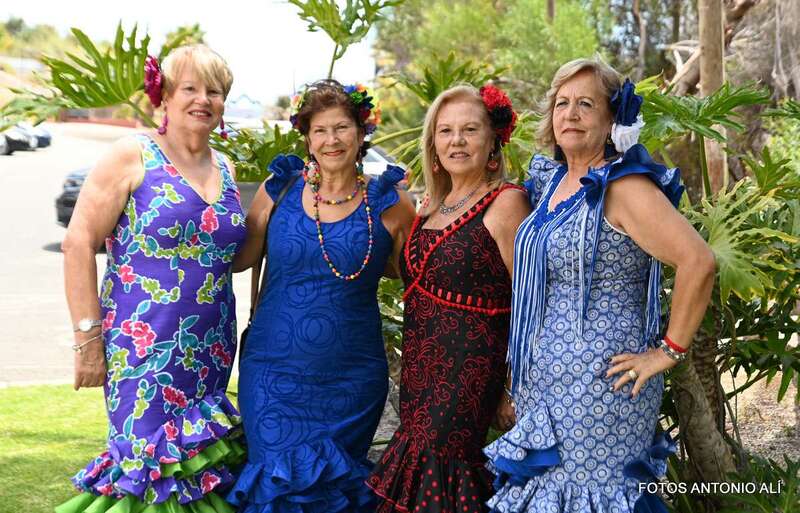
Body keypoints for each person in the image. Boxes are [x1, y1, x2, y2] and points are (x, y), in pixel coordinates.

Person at [483, 58, 716, 512]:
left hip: (602, 391)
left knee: (593, 497)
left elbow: (698, 261)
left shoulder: (623, 187)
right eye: (562, 103)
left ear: (612, 120)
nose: (570, 114)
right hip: (545, 389)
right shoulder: (552, 182)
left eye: (585, 104)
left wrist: (668, 352)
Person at [57, 45, 246, 513]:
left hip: (210, 350)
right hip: (143, 351)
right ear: (165, 95)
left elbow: (236, 257)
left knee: (196, 469)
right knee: (146, 469)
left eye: (214, 91)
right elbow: (78, 242)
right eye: (190, 88)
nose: (203, 99)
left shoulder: (226, 167)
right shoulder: (132, 155)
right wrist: (87, 341)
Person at [227, 79, 416, 513]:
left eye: (342, 128)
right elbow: (237, 260)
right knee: (275, 483)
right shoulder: (279, 191)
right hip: (272, 373)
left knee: (335, 493)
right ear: (307, 139)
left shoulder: (390, 203)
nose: (332, 140)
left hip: (351, 380)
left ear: (362, 132)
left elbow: (419, 285)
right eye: (320, 130)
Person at [367, 84, 531, 513]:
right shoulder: (432, 206)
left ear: (493, 140)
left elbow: (531, 305)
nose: (456, 140)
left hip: (468, 376)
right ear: (433, 142)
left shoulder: (507, 202)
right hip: (419, 374)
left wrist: (512, 386)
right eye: (445, 131)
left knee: (440, 475)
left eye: (469, 130)